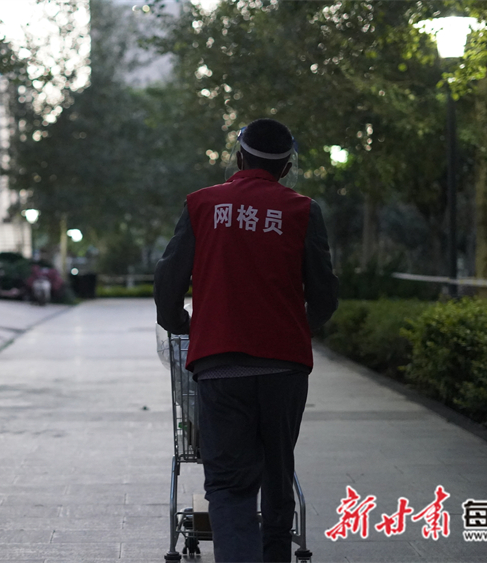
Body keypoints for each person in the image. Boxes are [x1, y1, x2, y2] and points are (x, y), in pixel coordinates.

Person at [154, 118, 338, 563]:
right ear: (287, 168)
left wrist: (182, 322)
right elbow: (324, 296)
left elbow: (168, 280)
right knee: (277, 476)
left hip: (219, 367)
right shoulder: (302, 211)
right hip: (284, 369)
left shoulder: (202, 205)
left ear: (239, 158)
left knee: (229, 486)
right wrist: (294, 329)